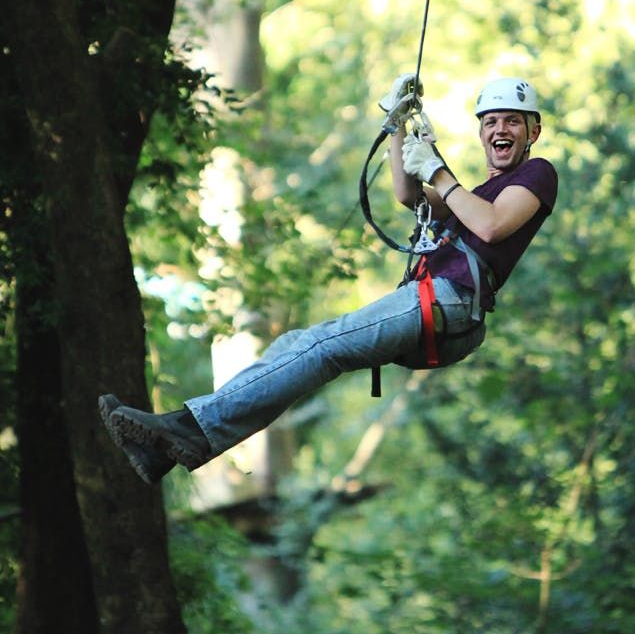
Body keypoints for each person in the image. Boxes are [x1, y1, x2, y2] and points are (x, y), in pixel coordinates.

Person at [99, 74, 559, 484]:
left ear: (533, 131)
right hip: (429, 302)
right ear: (481, 132)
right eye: (491, 121)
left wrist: (439, 171)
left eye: (513, 122)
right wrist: (398, 126)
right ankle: (181, 444)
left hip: (447, 301)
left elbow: (492, 226)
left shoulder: (538, 175)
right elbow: (407, 195)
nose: (501, 130)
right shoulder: (474, 193)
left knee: (321, 346)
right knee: (299, 348)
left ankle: (184, 429)